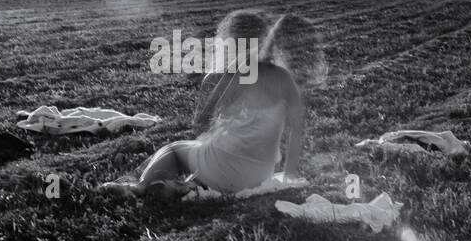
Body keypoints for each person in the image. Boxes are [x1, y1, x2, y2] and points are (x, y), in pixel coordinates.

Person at [108, 11, 324, 197]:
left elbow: (217, 107)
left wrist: (211, 128)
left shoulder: (249, 66)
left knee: (175, 149)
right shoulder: (287, 80)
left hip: (224, 165)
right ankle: (183, 187)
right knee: (209, 154)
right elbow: (297, 132)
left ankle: (139, 187)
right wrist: (290, 173)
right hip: (260, 174)